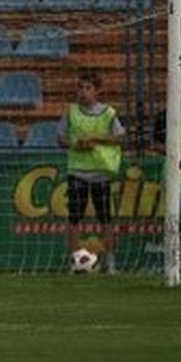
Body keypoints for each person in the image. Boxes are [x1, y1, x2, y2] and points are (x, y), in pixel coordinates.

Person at [56, 71, 126, 273]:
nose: (83, 92)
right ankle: (74, 260)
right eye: (80, 88)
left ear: (97, 91)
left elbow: (120, 137)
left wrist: (96, 139)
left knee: (105, 217)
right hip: (77, 170)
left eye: (87, 88)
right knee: (74, 217)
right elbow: (60, 138)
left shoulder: (108, 113)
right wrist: (76, 144)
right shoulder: (71, 112)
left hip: (101, 172)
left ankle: (109, 261)